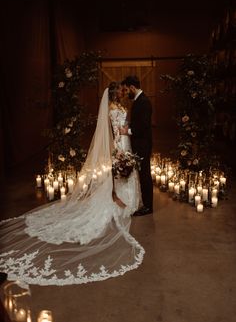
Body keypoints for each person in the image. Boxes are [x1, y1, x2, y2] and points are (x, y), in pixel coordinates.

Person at [0, 83, 144, 286]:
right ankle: (120, 199)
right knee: (121, 172)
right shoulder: (112, 109)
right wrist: (118, 148)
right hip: (121, 143)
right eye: (119, 90)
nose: (122, 91)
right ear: (114, 94)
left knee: (127, 173)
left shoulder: (119, 106)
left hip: (126, 140)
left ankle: (130, 199)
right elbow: (113, 131)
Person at [120, 75, 153, 216]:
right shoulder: (138, 100)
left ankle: (148, 207)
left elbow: (144, 126)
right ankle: (146, 203)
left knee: (145, 174)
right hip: (139, 143)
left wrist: (128, 131)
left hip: (143, 144)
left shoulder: (144, 101)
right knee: (142, 173)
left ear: (133, 87)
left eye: (127, 89)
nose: (126, 92)